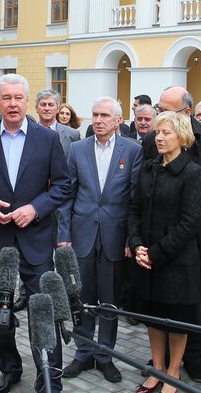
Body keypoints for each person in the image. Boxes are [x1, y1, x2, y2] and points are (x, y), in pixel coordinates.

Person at [0, 74, 71, 393]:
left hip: (35, 239)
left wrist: (35, 208)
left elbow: (63, 185)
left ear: (26, 101)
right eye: (6, 98)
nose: (12, 104)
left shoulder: (47, 139)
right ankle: (10, 369)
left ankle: (49, 375)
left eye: (18, 97)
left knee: (42, 311)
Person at [141, 87, 201, 382]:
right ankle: (164, 360)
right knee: (161, 299)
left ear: (188, 112)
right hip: (160, 239)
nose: (162, 118)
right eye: (160, 110)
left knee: (197, 301)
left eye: (171, 112)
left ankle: (193, 357)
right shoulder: (151, 141)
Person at [58, 97, 143, 384]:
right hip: (81, 235)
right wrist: (64, 235)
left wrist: (132, 239)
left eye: (105, 115)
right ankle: (83, 352)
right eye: (95, 114)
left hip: (115, 237)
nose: (98, 120)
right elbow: (67, 194)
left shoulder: (132, 151)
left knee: (109, 300)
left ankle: (105, 355)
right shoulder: (78, 149)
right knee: (82, 298)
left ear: (119, 120)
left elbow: (135, 200)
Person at [129, 112, 201, 393]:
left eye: (166, 133)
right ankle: (157, 368)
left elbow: (190, 223)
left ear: (182, 137)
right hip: (148, 257)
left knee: (175, 320)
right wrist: (137, 243)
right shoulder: (150, 168)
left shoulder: (193, 172)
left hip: (176, 261)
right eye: (157, 133)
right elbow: (135, 209)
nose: (159, 138)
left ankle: (173, 372)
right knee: (153, 316)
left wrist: (156, 253)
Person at [35, 89, 80, 157]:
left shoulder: (73, 135)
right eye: (43, 104)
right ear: (36, 108)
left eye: (51, 105)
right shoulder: (27, 134)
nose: (47, 108)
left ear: (58, 109)